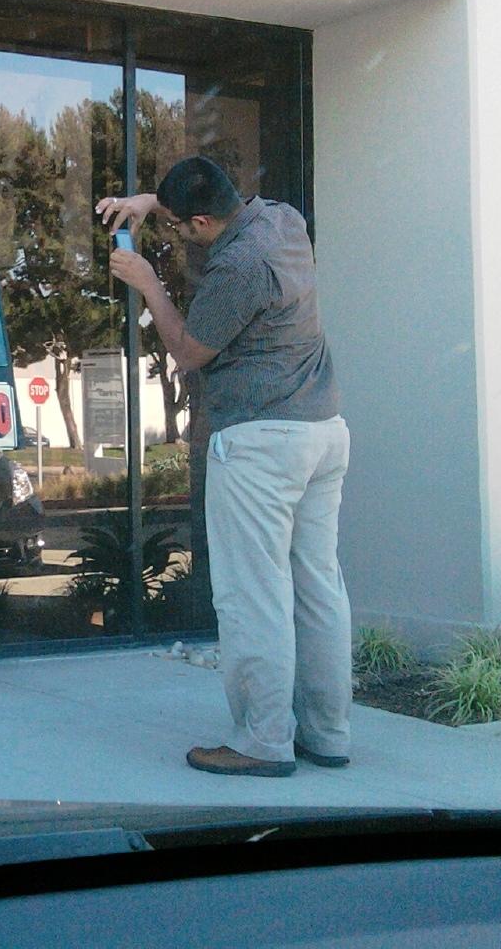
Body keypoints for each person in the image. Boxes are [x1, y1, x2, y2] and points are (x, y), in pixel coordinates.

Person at [100, 158, 350, 778]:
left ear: (203, 221)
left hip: (262, 440)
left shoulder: (238, 269)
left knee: (252, 597)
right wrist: (152, 202)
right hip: (324, 431)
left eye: (182, 226)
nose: (179, 234)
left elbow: (188, 352)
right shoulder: (284, 220)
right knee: (318, 587)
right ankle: (328, 734)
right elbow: (204, 209)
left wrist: (148, 283)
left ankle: (263, 743)